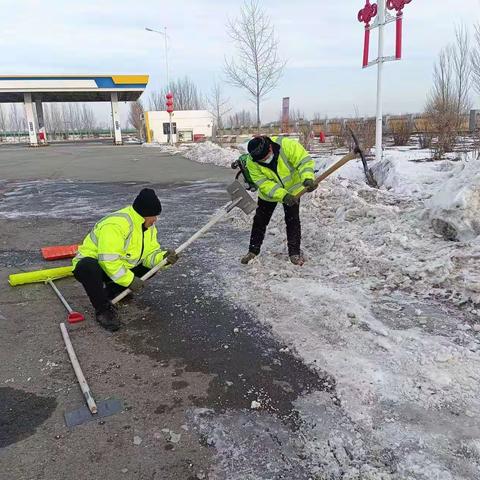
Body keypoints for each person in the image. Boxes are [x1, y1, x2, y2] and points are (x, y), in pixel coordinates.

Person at [72, 188, 178, 332]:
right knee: (87, 266)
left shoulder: (148, 227)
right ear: (144, 214)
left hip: (117, 267)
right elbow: (108, 260)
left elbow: (149, 255)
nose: (155, 220)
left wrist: (163, 259)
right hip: (95, 266)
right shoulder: (116, 225)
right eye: (153, 215)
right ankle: (103, 311)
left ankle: (111, 291)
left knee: (152, 268)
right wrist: (129, 281)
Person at [241, 135, 317, 266]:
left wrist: (307, 178)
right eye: (261, 160)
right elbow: (263, 183)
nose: (265, 161)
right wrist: (283, 195)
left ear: (270, 147)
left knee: (292, 220)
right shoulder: (251, 162)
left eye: (266, 157)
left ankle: (294, 253)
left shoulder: (287, 145)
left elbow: (303, 161)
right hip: (269, 194)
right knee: (260, 220)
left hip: (294, 191)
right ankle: (253, 250)